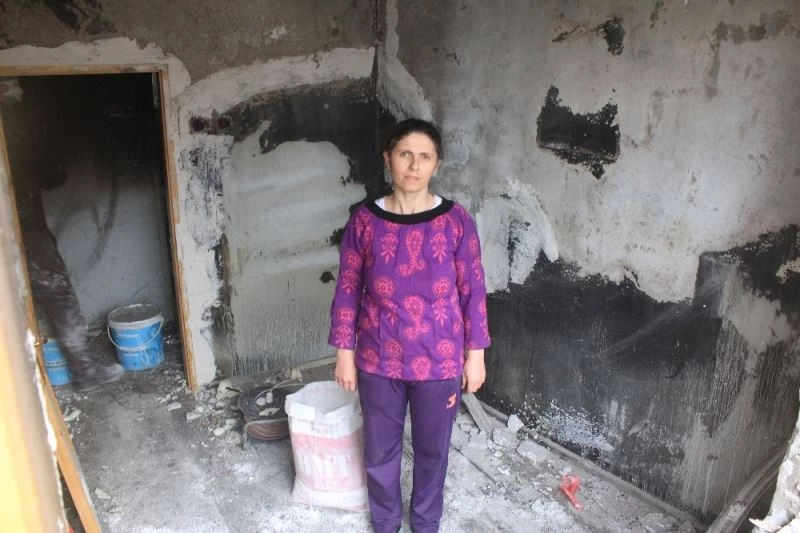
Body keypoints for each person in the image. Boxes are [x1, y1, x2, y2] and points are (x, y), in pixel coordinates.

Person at [328, 118, 491, 533]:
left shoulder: (456, 222)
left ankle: (425, 523)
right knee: (380, 453)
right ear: (388, 159)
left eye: (425, 157)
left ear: (436, 164)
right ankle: (385, 522)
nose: (414, 166)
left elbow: (473, 291)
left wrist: (475, 356)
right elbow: (347, 289)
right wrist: (344, 354)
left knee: (433, 451)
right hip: (378, 357)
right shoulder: (364, 222)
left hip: (439, 359)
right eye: (405, 154)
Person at [1, 77, 125, 392]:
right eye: (12, 86)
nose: (19, 91)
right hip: (23, 232)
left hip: (22, 231)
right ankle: (85, 372)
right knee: (59, 298)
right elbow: (52, 175)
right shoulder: (13, 127)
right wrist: (34, 132)